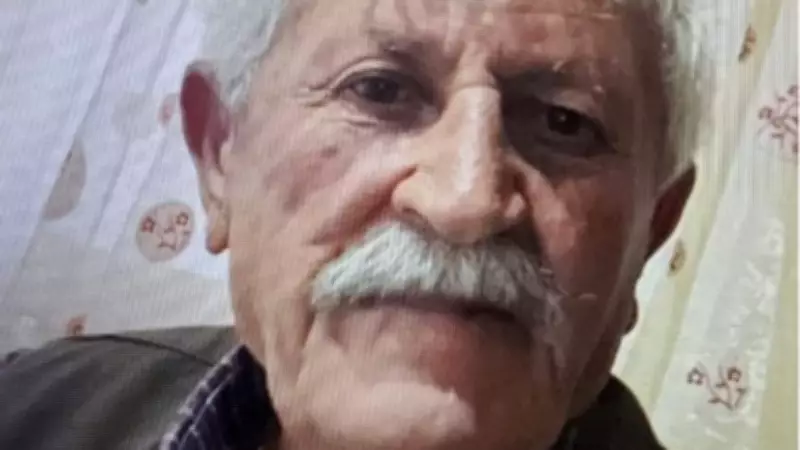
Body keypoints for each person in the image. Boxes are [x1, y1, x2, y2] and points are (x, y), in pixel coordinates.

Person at [0, 0, 709, 449]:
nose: (464, 201)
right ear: (221, 156)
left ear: (651, 235)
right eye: (379, 89)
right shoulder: (31, 405)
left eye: (565, 122)